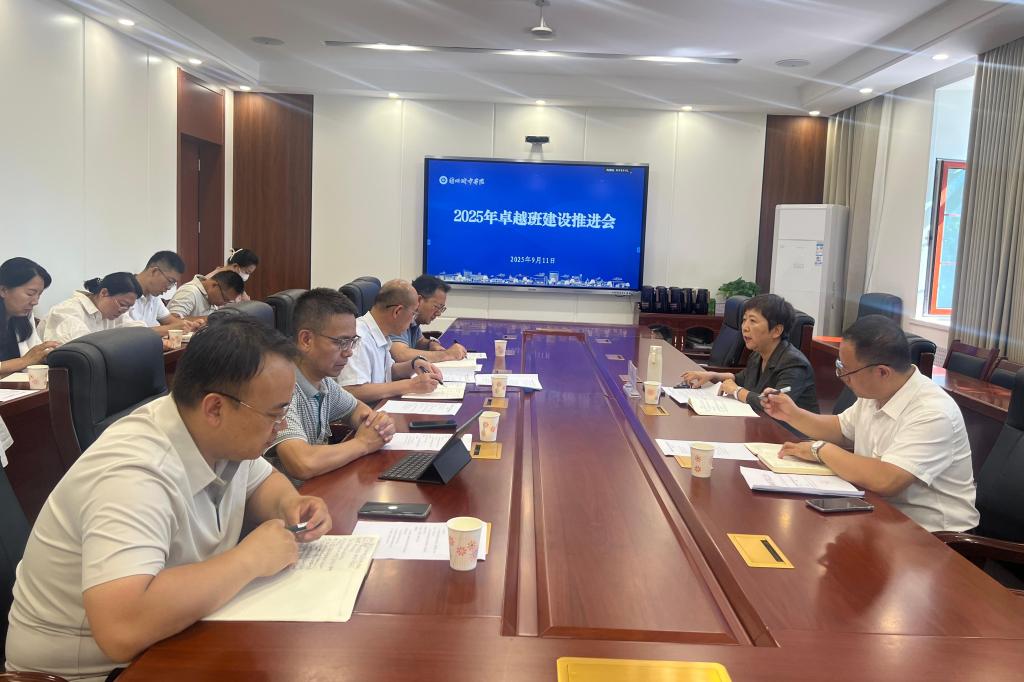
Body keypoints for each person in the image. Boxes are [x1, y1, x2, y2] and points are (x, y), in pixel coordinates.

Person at [5, 317, 332, 681]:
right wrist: (250, 559)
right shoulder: (132, 473)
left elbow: (261, 482)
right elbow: (120, 631)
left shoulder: (218, 433)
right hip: (91, 672)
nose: (282, 426)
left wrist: (290, 504)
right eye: (275, 413)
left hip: (170, 638)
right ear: (215, 408)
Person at [762, 315, 979, 533]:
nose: (842, 377)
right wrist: (793, 414)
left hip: (934, 537)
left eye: (847, 371)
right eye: (840, 366)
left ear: (882, 372)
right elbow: (841, 429)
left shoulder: (932, 411)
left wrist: (819, 450)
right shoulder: (877, 392)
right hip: (879, 515)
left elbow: (887, 479)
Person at [267, 289, 396, 483]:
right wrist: (363, 443)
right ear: (306, 340)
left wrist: (377, 423)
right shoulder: (280, 388)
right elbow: (302, 463)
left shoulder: (324, 382)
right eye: (341, 342)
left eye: (352, 341)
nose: (349, 352)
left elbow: (357, 410)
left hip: (318, 488)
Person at [681, 293, 819, 413]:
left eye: (753, 321)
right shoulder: (758, 354)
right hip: (762, 424)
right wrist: (712, 375)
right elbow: (740, 379)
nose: (745, 327)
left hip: (791, 432)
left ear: (776, 331)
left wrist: (737, 391)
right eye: (744, 320)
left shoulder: (794, 363)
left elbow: (775, 405)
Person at [337, 279, 443, 403]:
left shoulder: (381, 333)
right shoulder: (359, 338)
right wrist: (411, 385)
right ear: (397, 311)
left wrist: (413, 365)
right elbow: (352, 391)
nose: (412, 321)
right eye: (413, 314)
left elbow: (387, 372)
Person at [39, 273, 148, 344]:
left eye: (129, 307)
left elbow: (139, 331)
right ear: (104, 293)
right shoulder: (67, 311)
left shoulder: (115, 314)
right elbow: (82, 348)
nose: (123, 310)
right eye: (123, 304)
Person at [0, 257, 58, 377]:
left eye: (39, 295)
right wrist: (24, 361)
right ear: (3, 290)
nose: (35, 302)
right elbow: (29, 359)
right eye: (30, 293)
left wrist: (47, 354)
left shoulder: (24, 315)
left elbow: (34, 353)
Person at [388, 275, 467, 363]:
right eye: (436, 307)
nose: (438, 313)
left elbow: (419, 341)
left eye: (441, 308)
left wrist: (431, 343)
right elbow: (400, 355)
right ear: (419, 300)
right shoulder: (400, 314)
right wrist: (447, 354)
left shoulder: (414, 320)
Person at [131, 251, 198, 335]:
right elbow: (131, 333)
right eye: (170, 281)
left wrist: (190, 325)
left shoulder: (153, 296)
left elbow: (172, 321)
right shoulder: (123, 292)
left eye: (173, 284)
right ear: (154, 271)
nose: (169, 288)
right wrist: (171, 329)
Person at [167, 270, 244, 319]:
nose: (224, 303)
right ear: (214, 285)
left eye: (228, 301)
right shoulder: (189, 292)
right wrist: (211, 319)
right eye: (224, 299)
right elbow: (173, 321)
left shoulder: (210, 297)